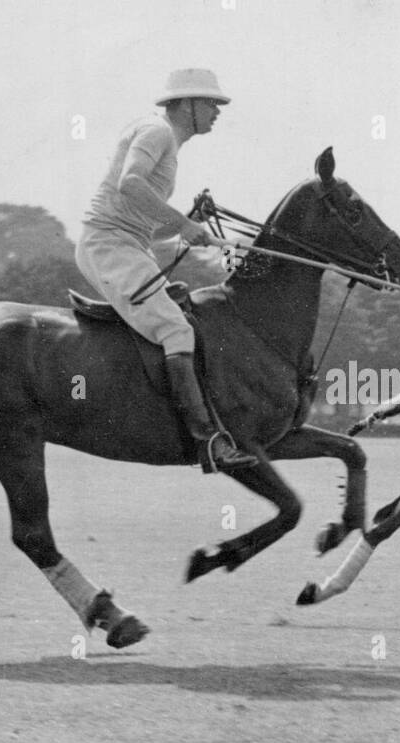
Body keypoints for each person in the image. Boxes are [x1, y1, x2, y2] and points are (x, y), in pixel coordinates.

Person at [75, 68, 258, 473]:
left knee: (182, 315)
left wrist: (186, 226)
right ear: (186, 104)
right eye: (211, 103)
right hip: (107, 244)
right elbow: (130, 183)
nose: (217, 111)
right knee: (176, 329)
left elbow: (143, 222)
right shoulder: (156, 132)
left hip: (128, 244)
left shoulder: (167, 143)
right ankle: (207, 440)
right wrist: (183, 223)